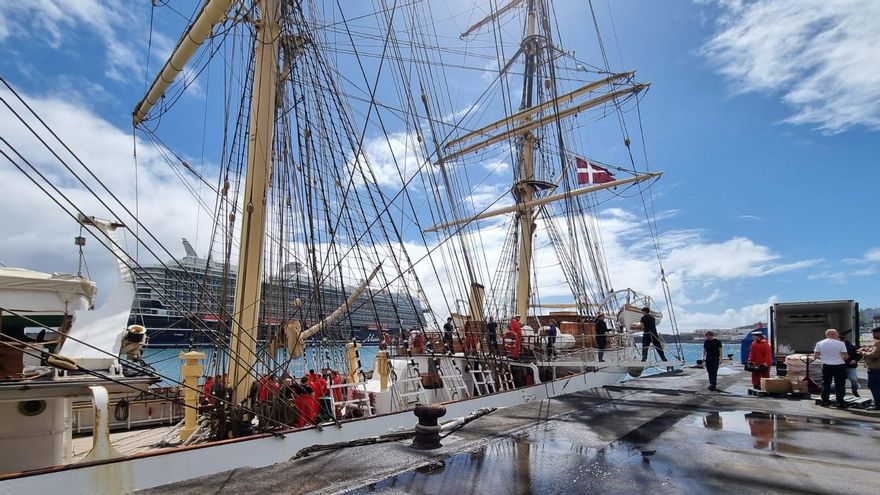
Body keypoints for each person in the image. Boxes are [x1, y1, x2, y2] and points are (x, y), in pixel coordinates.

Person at [814, 329, 849, 408]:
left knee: (826, 383)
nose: (838, 335)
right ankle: (840, 402)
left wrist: (824, 358)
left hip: (826, 365)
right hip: (839, 365)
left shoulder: (819, 343)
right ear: (833, 334)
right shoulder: (841, 343)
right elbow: (846, 356)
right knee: (840, 384)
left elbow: (816, 356)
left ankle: (825, 401)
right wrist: (841, 358)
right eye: (837, 334)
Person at [857, 327, 880, 410]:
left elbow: (874, 355)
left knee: (874, 386)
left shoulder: (878, 343)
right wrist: (868, 350)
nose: (873, 335)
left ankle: (878, 405)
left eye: (874, 333)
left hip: (875, 368)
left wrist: (862, 352)